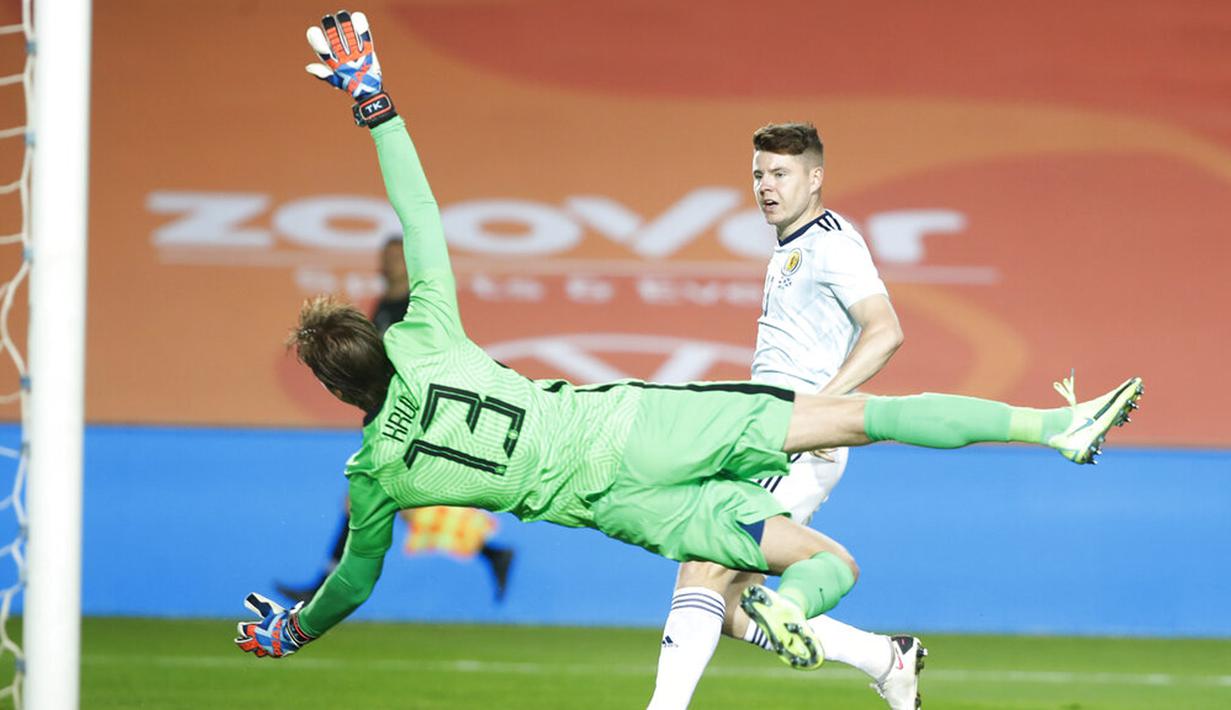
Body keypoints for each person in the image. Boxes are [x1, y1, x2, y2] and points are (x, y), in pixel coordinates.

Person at [235, 11, 1143, 670]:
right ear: (378, 340)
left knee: (804, 562)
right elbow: (418, 211)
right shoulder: (426, 336)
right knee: (862, 416)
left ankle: (805, 615)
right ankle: (1046, 431)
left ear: (336, 394)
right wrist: (373, 103)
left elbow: (354, 582)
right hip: (635, 427)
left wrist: (295, 631)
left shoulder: (374, 476)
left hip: (612, 510)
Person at [646, 122, 920, 710]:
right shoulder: (791, 247)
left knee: (705, 560)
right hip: (770, 430)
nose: (766, 186)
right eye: (759, 175)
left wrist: (822, 410)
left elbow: (886, 331)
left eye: (781, 174)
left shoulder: (831, 241)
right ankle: (886, 658)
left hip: (790, 435)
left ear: (815, 177)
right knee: (730, 605)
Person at [276, 236, 515, 605]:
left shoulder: (414, 308)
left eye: (394, 258)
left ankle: (325, 587)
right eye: (383, 257)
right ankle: (491, 552)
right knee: (392, 504)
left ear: (409, 262)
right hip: (390, 415)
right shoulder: (384, 305)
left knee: (367, 499)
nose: (386, 265)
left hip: (412, 419)